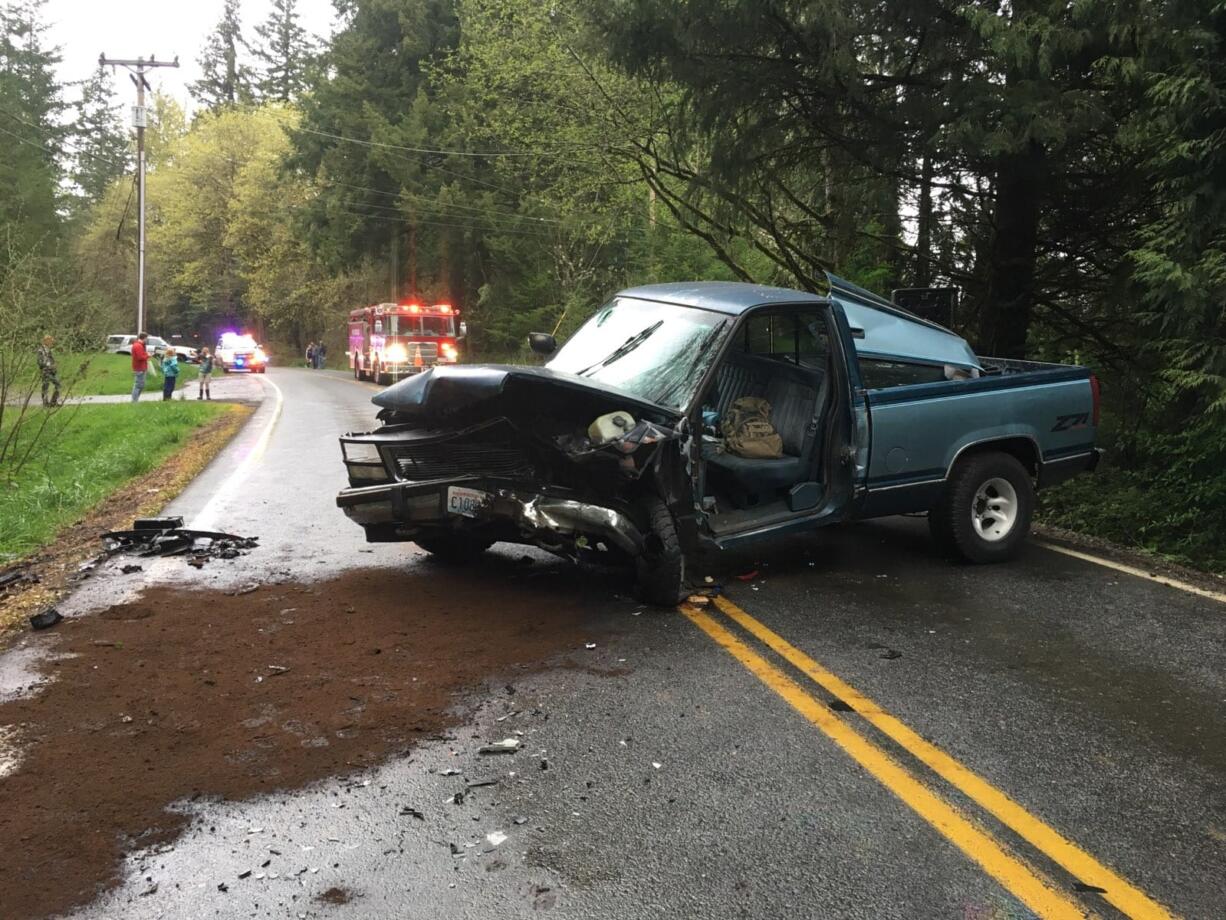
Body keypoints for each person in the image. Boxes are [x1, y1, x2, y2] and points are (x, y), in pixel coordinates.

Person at [36, 335, 61, 407]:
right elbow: (40, 362)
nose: (52, 343)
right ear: (45, 341)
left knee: (58, 384)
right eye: (50, 341)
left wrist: (54, 364)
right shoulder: (40, 351)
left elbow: (51, 360)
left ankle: (53, 402)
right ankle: (45, 403)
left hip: (52, 371)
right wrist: (48, 366)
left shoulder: (49, 350)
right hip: (45, 371)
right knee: (45, 386)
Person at [131, 332, 150, 402]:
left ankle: (135, 400)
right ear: (144, 338)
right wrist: (148, 355)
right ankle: (134, 401)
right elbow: (140, 357)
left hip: (142, 367)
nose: (147, 340)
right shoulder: (138, 346)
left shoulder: (140, 345)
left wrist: (146, 354)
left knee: (141, 385)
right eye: (147, 338)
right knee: (138, 385)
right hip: (139, 368)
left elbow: (141, 355)